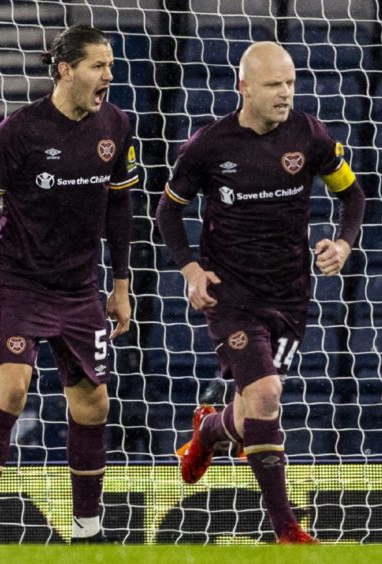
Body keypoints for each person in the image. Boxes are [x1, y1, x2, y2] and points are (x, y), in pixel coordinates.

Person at [156, 41, 365, 544]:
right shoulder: (208, 147)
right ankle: (286, 529)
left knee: (254, 409)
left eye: (290, 83)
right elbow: (167, 212)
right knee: (268, 395)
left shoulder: (310, 135)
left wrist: (343, 242)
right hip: (231, 296)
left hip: (290, 296)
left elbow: (352, 195)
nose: (285, 94)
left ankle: (208, 431)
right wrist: (190, 269)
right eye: (274, 85)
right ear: (244, 87)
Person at [0, 26, 140, 545]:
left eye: (110, 65)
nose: (109, 75)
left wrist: (121, 282)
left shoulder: (116, 125)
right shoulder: (19, 131)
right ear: (65, 69)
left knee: (94, 405)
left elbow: (121, 206)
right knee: (13, 389)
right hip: (17, 282)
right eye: (98, 66)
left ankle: (88, 529)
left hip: (81, 289)